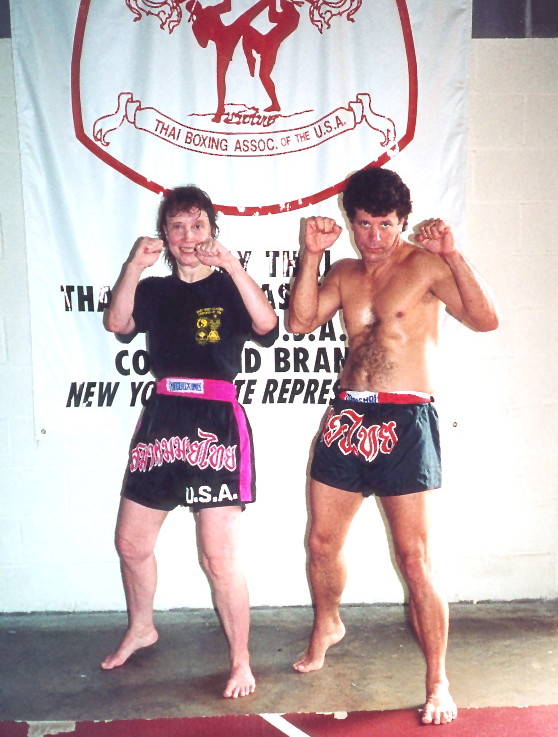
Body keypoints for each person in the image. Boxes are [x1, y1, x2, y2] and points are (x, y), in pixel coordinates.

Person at [288, 167, 499, 725]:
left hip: (406, 420)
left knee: (415, 560)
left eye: (384, 224)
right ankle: (328, 623)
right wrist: (310, 255)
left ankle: (437, 681)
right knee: (320, 543)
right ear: (350, 223)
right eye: (363, 224)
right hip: (348, 419)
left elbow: (485, 319)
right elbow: (302, 321)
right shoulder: (346, 271)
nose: (374, 236)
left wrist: (453, 255)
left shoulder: (425, 267)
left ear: (401, 222)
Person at [101, 185, 278, 698]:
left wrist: (234, 267)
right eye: (177, 226)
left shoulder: (228, 286)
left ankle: (240, 661)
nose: (187, 236)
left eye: (197, 225)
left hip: (216, 419)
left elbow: (268, 326)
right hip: (162, 416)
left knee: (217, 557)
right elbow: (117, 323)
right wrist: (133, 267)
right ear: (165, 235)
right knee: (131, 543)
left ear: (212, 232)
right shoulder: (154, 290)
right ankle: (142, 626)